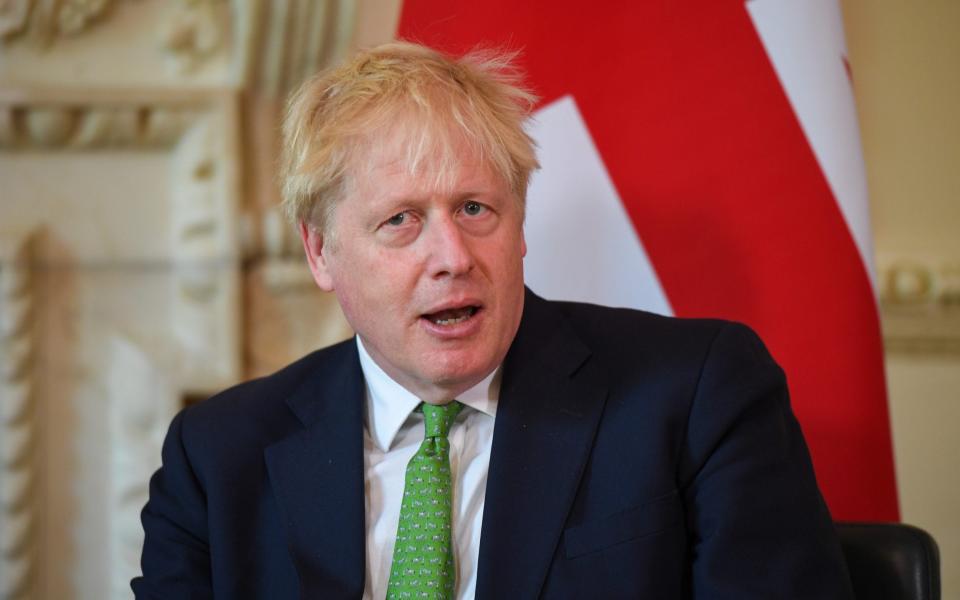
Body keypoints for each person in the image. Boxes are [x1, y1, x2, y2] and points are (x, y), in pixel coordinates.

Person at [132, 42, 854, 599]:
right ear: (321, 252)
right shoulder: (218, 458)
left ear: (519, 224)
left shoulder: (694, 395)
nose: (452, 256)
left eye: (475, 209)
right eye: (401, 221)